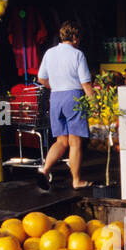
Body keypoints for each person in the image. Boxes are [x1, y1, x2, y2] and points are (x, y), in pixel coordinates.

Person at [36, 22, 94, 189]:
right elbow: (86, 83)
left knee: (61, 141)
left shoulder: (49, 53)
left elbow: (41, 78)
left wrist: (54, 87)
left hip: (55, 98)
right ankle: (76, 181)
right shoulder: (78, 54)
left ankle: (45, 170)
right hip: (74, 97)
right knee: (75, 142)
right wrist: (95, 103)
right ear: (75, 37)